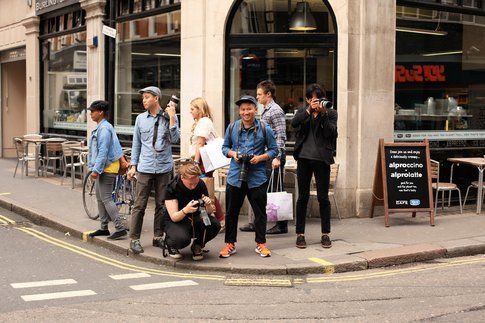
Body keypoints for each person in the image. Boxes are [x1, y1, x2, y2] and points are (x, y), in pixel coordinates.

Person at [219, 95, 278, 258]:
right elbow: (224, 148)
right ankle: (230, 244)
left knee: (260, 213)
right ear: (239, 111)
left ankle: (261, 244)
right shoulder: (232, 127)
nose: (246, 112)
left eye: (249, 108)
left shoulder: (265, 128)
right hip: (235, 177)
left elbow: (274, 150)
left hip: (257, 177)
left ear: (255, 109)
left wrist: (260, 158)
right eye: (243, 109)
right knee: (231, 212)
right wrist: (233, 154)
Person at [127, 86, 180, 254]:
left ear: (156, 98)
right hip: (145, 167)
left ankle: (158, 236)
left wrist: (172, 119)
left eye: (147, 97)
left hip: (163, 168)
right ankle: (134, 239)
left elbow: (175, 139)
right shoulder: (140, 119)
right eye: (143, 97)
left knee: (161, 204)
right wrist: (133, 165)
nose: (143, 100)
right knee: (139, 204)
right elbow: (136, 143)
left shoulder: (168, 117)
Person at [291, 84, 338, 249]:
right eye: (313, 99)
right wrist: (309, 111)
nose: (317, 102)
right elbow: (294, 124)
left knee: (323, 198)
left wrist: (323, 115)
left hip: (322, 160)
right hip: (304, 159)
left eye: (319, 99)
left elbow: (332, 134)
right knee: (302, 198)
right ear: (308, 100)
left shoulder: (331, 113)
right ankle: (300, 234)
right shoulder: (303, 112)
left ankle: (325, 234)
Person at [239, 80, 287, 235]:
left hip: (273, 156)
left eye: (259, 94)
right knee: (260, 190)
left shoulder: (275, 111)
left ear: (269, 94)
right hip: (265, 155)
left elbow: (280, 136)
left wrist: (277, 157)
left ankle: (281, 225)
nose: (257, 97)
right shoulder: (266, 110)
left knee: (275, 189)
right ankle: (257, 222)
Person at [87, 100, 129, 240]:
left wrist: (96, 170)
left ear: (101, 112)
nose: (91, 114)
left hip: (107, 167)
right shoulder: (102, 127)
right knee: (100, 198)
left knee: (106, 199)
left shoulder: (104, 129)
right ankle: (104, 228)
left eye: (93, 111)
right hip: (104, 167)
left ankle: (120, 228)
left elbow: (103, 151)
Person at [162, 162, 221, 260]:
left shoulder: (201, 184)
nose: (193, 186)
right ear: (182, 178)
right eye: (190, 184)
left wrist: (208, 204)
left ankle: (198, 245)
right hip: (177, 220)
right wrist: (186, 210)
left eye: (195, 183)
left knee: (214, 224)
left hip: (196, 217)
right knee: (183, 239)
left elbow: (209, 212)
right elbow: (174, 217)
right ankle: (171, 244)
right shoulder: (172, 187)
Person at [189, 97, 225, 227]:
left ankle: (218, 220)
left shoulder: (204, 121)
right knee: (204, 190)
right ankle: (214, 219)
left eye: (192, 109)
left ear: (200, 109)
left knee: (204, 190)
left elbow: (200, 143)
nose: (190, 112)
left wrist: (196, 162)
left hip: (202, 162)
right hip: (201, 161)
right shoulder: (201, 121)